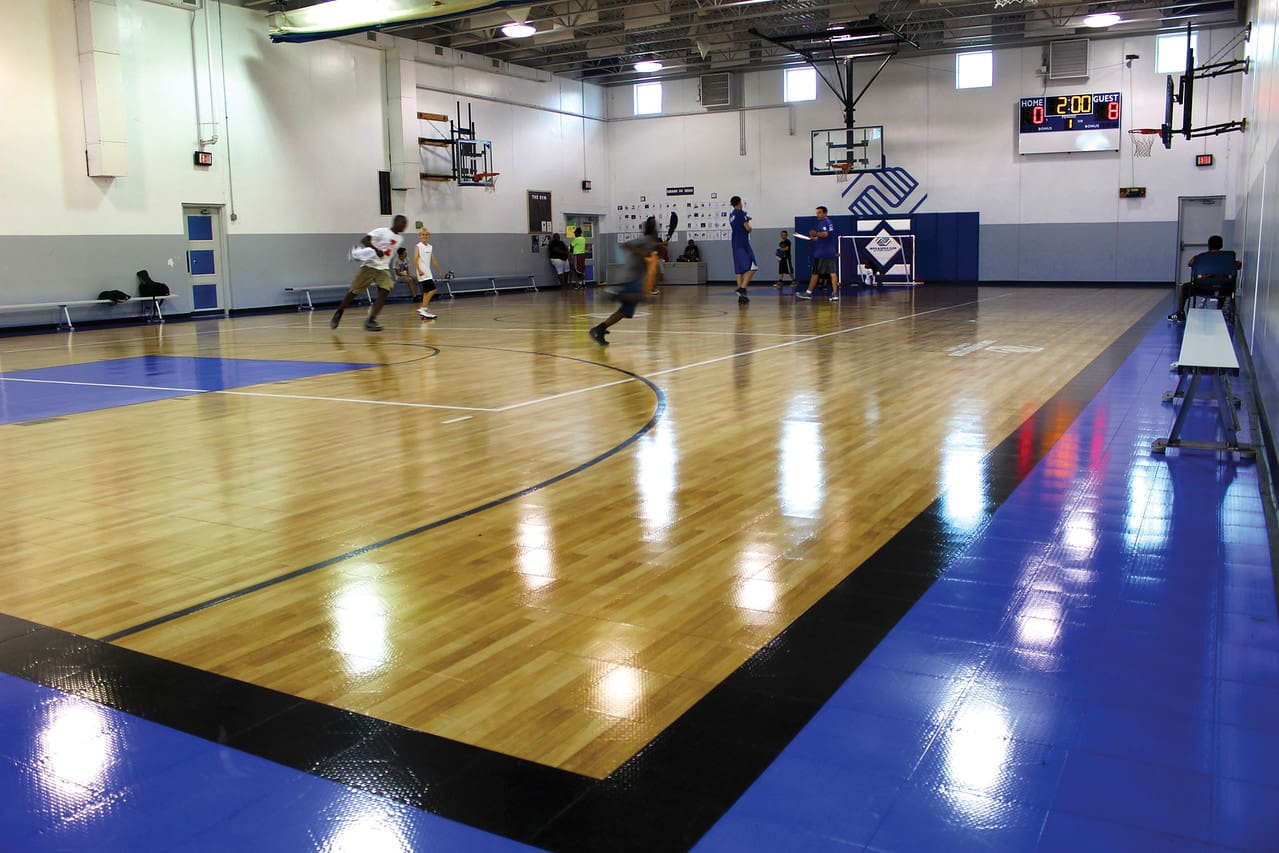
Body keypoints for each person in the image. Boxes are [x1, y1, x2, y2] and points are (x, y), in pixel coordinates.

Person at [589, 217, 658, 346]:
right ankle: (614, 295)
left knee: (624, 311)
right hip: (632, 277)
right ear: (653, 230)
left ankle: (599, 329)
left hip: (637, 277)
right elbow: (626, 245)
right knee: (638, 298)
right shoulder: (645, 240)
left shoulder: (651, 242)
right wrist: (642, 253)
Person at [332, 214, 406, 331]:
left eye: (405, 224)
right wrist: (376, 250)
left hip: (383, 268)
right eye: (402, 223)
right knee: (354, 291)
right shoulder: (382, 231)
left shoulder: (400, 239)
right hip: (370, 265)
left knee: (386, 288)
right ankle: (339, 311)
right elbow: (365, 240)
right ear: (395, 222)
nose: (404, 226)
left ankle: (371, 320)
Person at [1168, 234, 1241, 321]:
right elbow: (1239, 265)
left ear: (1209, 246)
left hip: (1201, 288)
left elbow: (1190, 263)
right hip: (1224, 289)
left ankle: (1180, 313)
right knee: (1223, 282)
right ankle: (1219, 310)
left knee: (1184, 288)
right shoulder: (1228, 258)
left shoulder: (1200, 257)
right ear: (1221, 246)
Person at [797, 206, 839, 301]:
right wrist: (815, 238)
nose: (818, 215)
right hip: (830, 251)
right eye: (817, 213)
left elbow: (825, 234)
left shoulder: (823, 222)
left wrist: (816, 234)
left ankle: (808, 293)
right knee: (833, 273)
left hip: (822, 253)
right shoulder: (829, 222)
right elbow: (826, 236)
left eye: (819, 212)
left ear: (825, 213)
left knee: (815, 273)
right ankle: (835, 294)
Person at [414, 226, 446, 320]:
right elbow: (415, 259)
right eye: (422, 235)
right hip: (422, 272)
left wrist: (440, 271)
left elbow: (433, 260)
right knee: (433, 290)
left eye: (426, 235)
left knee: (426, 292)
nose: (424, 236)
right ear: (419, 236)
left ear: (429, 236)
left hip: (428, 272)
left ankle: (425, 309)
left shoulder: (430, 247)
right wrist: (419, 270)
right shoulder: (418, 246)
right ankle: (423, 308)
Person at [729, 195, 755, 304]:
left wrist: (745, 219)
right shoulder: (740, 213)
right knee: (753, 267)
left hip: (735, 243)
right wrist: (748, 223)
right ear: (740, 202)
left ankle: (741, 297)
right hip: (743, 243)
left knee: (739, 270)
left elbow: (738, 223)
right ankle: (742, 288)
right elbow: (748, 229)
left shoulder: (732, 215)